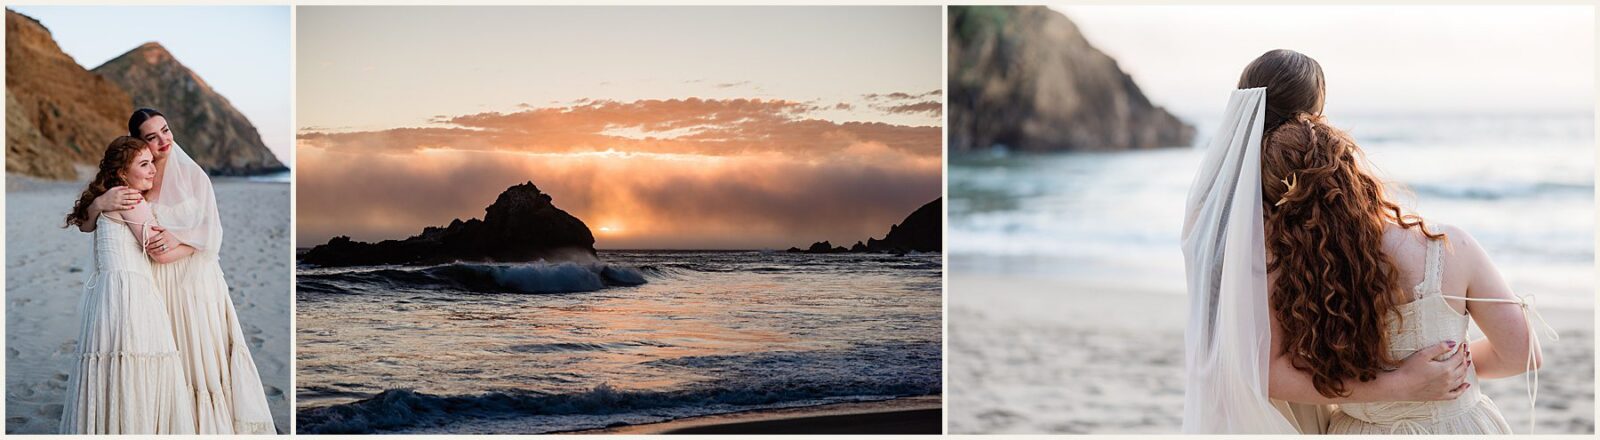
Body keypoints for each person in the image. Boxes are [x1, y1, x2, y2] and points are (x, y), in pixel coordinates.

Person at [59, 137, 196, 434]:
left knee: (109, 362)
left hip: (105, 294)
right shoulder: (131, 199)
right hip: (130, 294)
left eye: (152, 163)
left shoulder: (111, 196)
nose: (152, 171)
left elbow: (85, 225)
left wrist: (96, 204)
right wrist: (196, 245)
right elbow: (159, 253)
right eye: (144, 164)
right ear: (122, 172)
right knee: (134, 362)